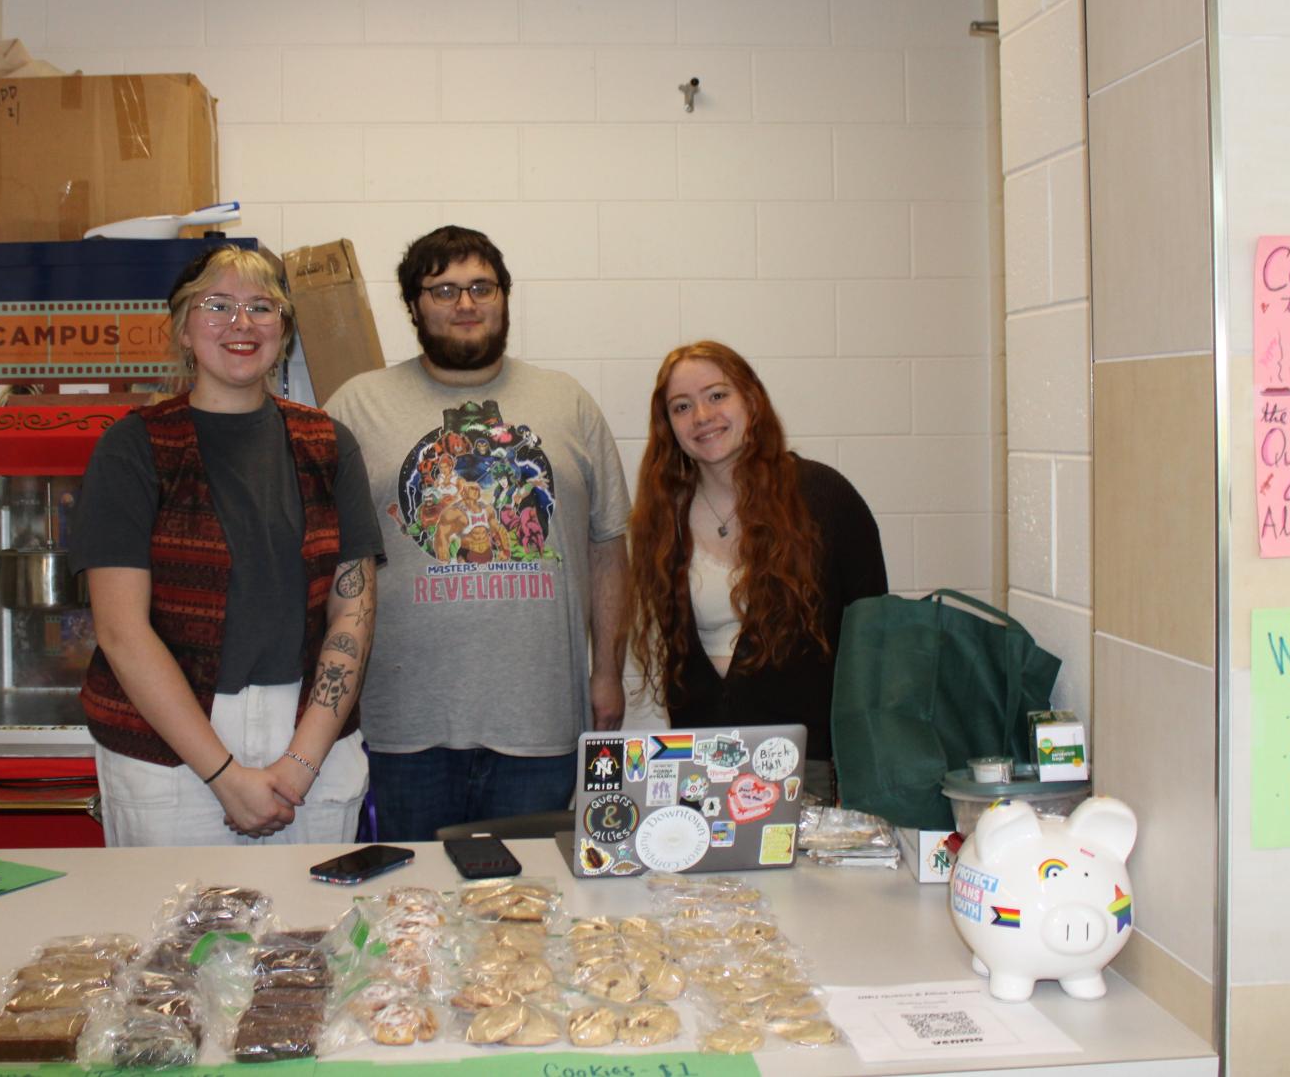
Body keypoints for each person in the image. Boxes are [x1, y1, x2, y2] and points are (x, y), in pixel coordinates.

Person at [323, 225, 631, 840]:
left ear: (504, 297)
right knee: (413, 913)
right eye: (443, 290)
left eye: (480, 287)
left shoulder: (568, 402)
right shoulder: (356, 406)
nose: (465, 304)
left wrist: (608, 674)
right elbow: (326, 561)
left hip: (539, 720)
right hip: (402, 724)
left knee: (525, 913)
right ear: (413, 305)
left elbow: (608, 550)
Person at [72, 246, 384, 846]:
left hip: (311, 739)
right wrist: (222, 774)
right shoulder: (133, 449)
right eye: (218, 306)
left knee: (313, 936)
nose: (241, 324)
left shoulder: (327, 443)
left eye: (262, 307)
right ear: (185, 330)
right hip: (172, 749)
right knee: (175, 939)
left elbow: (354, 612)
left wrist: (300, 763)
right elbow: (121, 632)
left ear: (284, 331)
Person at [625, 340, 887, 803]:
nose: (702, 415)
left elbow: (875, 641)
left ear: (751, 398)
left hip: (808, 766)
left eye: (717, 395)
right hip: (701, 764)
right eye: (681, 406)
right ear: (669, 426)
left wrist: (860, 767)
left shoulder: (824, 498)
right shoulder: (664, 517)